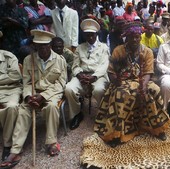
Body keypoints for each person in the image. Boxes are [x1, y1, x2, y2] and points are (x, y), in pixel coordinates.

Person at [94, 21, 170, 148]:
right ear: (126, 38)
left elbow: (148, 73)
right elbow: (111, 72)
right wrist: (115, 81)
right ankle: (116, 133)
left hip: (141, 80)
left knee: (154, 90)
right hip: (122, 82)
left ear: (140, 37)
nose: (135, 39)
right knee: (120, 95)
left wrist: (143, 86)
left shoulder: (147, 52)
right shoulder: (118, 51)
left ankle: (157, 128)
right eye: (131, 37)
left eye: (137, 37)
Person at [0, 29, 67, 168]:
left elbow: (60, 85)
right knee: (23, 111)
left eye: (45, 45)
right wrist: (28, 97)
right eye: (39, 46)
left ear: (50, 45)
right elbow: (26, 83)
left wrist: (43, 96)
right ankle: (15, 150)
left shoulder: (60, 61)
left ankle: (51, 142)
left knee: (51, 107)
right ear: (34, 46)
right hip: (33, 93)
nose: (42, 49)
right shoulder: (28, 60)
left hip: (51, 94)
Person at [65, 19, 110, 130]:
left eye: (92, 35)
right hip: (82, 76)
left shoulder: (104, 47)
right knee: (69, 89)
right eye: (87, 35)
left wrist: (93, 77)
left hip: (98, 76)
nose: (90, 38)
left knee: (99, 90)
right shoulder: (79, 48)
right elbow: (75, 65)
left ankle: (102, 114)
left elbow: (104, 65)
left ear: (96, 34)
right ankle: (76, 114)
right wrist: (80, 75)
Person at [0, 31, 22, 161]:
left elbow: (15, 76)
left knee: (12, 107)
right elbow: (9, 76)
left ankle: (8, 144)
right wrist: (4, 77)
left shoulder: (9, 57)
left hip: (11, 89)